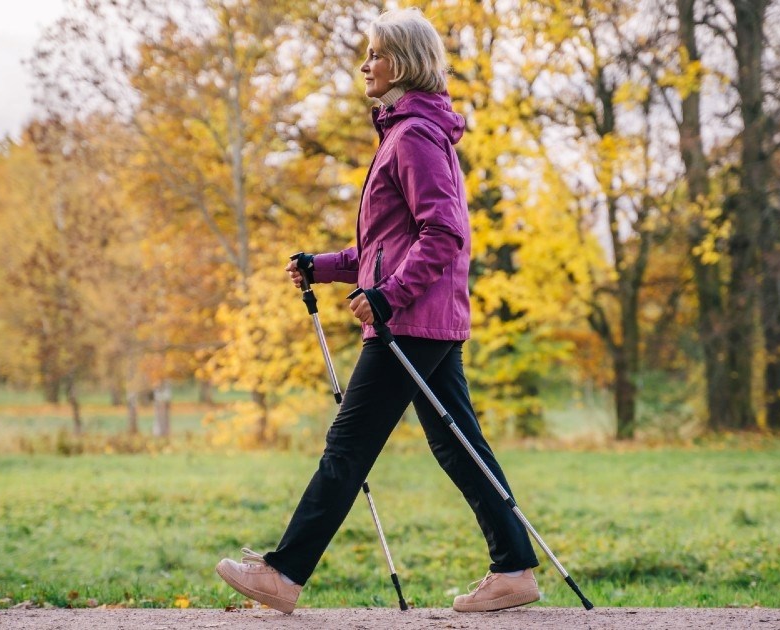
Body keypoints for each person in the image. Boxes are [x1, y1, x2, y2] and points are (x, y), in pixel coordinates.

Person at [215, 7, 540, 614]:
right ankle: (515, 569)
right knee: (456, 443)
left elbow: (444, 232)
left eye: (375, 54)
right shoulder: (403, 132)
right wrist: (325, 265)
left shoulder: (414, 134)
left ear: (404, 63)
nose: (365, 64)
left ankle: (283, 576)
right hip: (422, 316)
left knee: (348, 446)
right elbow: (380, 248)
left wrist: (389, 297)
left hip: (409, 319)